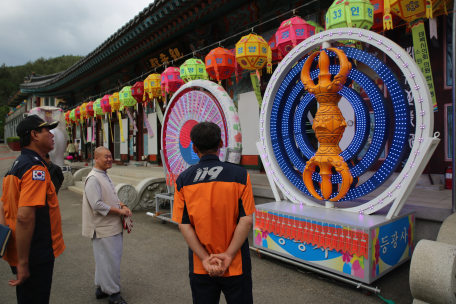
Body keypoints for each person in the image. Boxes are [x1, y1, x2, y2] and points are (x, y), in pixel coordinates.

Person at [172, 122, 255, 304]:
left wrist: (205, 258)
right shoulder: (240, 175)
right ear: (221, 143)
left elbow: (183, 225)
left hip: (202, 264)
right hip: (235, 263)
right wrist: (229, 255)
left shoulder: (183, 180)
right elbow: (246, 221)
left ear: (194, 148)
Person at [1, 114, 65, 304]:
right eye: (47, 130)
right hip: (34, 253)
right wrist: (23, 262)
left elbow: (3, 206)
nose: (52, 135)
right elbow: (24, 218)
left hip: (21, 248)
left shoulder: (15, 166)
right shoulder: (34, 168)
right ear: (34, 135)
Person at [82, 146, 132, 304]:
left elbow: (112, 196)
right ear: (96, 158)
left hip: (110, 226)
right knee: (111, 260)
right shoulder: (93, 178)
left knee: (104, 259)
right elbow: (97, 205)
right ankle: (113, 294)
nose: (110, 159)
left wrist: (123, 206)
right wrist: (119, 211)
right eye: (106, 157)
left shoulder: (103, 175)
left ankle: (101, 288)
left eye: (110, 156)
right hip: (103, 227)